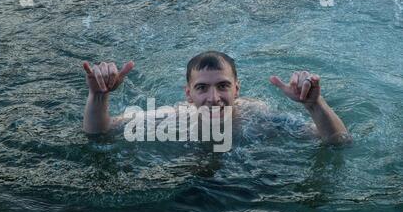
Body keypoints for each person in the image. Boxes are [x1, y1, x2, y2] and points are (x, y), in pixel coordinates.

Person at [82, 51, 350, 144]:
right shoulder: (170, 119)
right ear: (188, 94)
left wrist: (315, 105)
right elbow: (100, 133)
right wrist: (98, 96)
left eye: (223, 86)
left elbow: (338, 141)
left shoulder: (259, 118)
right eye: (202, 88)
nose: (214, 97)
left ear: (237, 89)